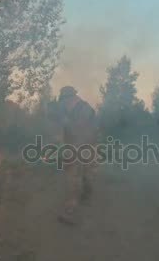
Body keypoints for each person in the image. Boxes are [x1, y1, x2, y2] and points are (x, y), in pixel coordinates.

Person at [55, 86, 99, 225]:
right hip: (77, 148)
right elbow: (61, 131)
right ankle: (73, 206)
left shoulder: (85, 110)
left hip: (86, 147)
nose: (62, 103)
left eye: (63, 100)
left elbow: (88, 131)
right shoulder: (67, 111)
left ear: (71, 98)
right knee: (74, 178)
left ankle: (81, 199)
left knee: (82, 176)